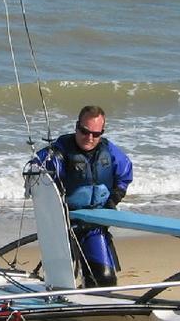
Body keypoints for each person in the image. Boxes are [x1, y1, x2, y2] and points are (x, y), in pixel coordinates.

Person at [34, 106, 134, 287]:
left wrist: (113, 201)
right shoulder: (59, 152)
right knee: (63, 282)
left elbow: (125, 175)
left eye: (96, 134)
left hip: (94, 226)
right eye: (84, 131)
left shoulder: (109, 151)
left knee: (105, 279)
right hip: (65, 227)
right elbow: (33, 171)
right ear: (76, 127)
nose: (89, 138)